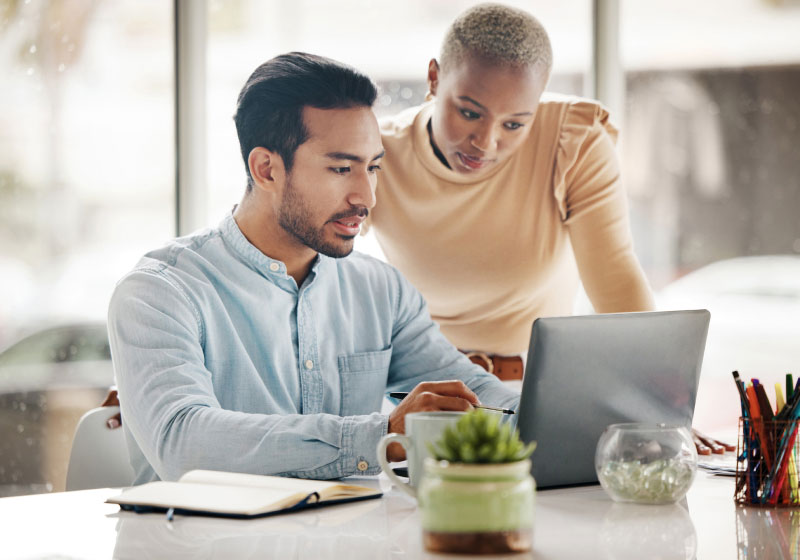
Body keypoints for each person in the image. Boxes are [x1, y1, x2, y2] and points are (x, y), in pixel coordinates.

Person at [107, 52, 518, 484]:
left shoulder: (381, 291)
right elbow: (184, 444)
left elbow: (474, 394)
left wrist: (552, 419)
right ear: (266, 169)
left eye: (373, 167)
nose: (366, 197)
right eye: (341, 168)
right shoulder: (160, 293)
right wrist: (384, 434)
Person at [369, 3, 655, 379]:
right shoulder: (377, 152)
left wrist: (658, 405)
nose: (486, 143)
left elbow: (617, 285)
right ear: (434, 79)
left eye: (515, 125)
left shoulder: (573, 140)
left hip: (536, 388)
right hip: (420, 387)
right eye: (470, 113)